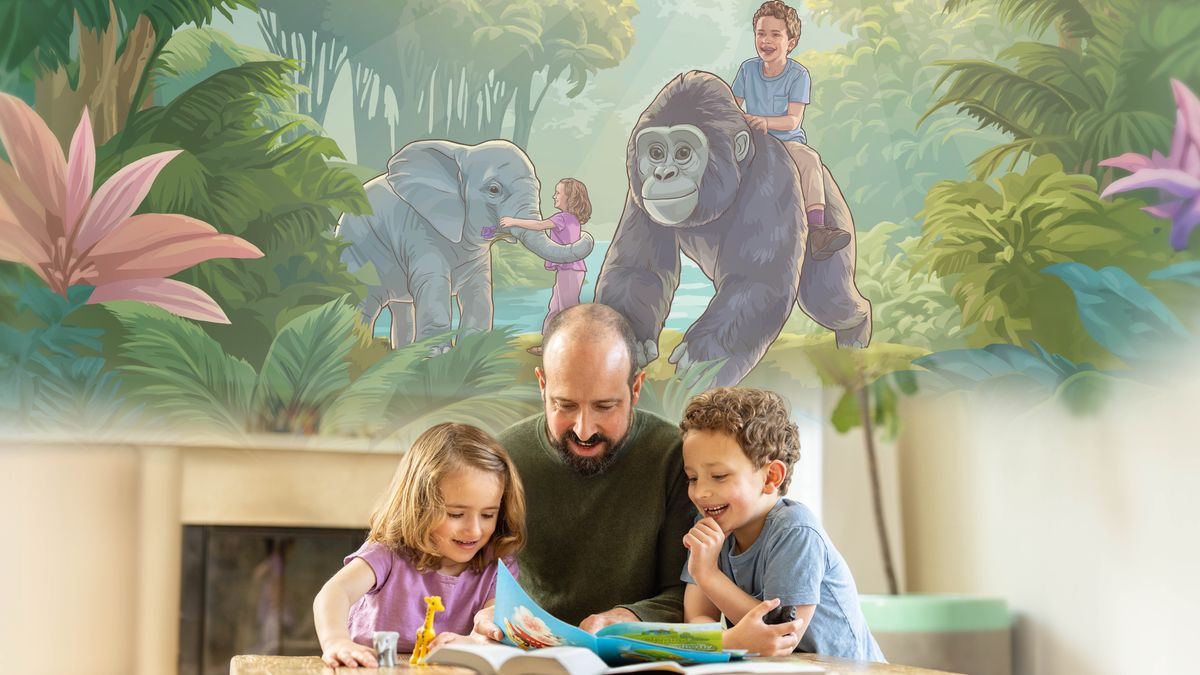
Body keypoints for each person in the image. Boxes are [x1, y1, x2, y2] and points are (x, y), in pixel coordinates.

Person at [679, 387, 886, 661]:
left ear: (770, 477)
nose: (701, 492)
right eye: (693, 478)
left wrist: (709, 575)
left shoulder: (795, 531)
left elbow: (781, 636)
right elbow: (696, 616)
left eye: (718, 476)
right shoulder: (710, 527)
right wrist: (727, 641)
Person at [313, 423, 526, 668]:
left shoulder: (498, 566)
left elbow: (492, 623)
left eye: (488, 515)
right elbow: (335, 592)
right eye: (456, 514)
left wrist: (476, 642)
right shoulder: (389, 553)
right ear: (420, 505)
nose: (475, 530)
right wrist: (336, 641)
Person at [733, 1, 850, 261]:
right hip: (752, 142)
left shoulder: (798, 75)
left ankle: (818, 229)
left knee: (810, 159)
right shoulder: (747, 70)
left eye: (776, 34)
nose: (766, 40)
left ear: (791, 42)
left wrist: (764, 122)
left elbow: (793, 121)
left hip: (785, 143)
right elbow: (734, 107)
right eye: (761, 33)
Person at [499, 177, 592, 355]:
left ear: (569, 198)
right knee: (555, 308)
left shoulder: (563, 218)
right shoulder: (573, 219)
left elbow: (539, 225)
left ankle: (574, 347)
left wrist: (514, 221)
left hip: (570, 270)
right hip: (568, 270)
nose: (554, 196)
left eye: (558, 193)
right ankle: (548, 346)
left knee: (567, 309)